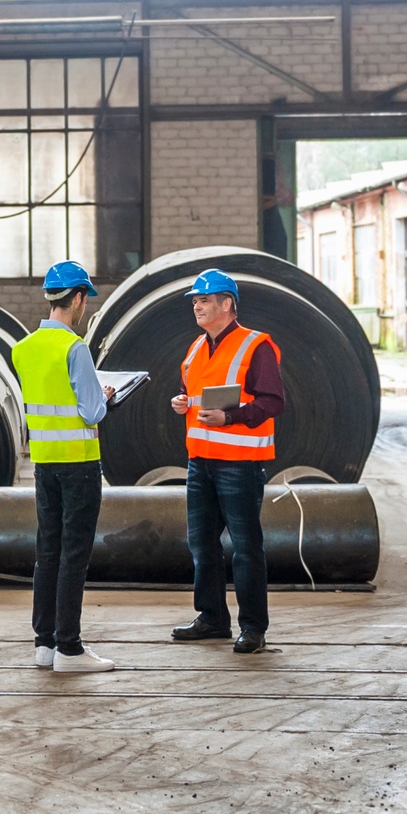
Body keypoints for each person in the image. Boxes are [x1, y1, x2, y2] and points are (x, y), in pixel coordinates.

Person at [167, 268, 285, 654]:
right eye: (195, 301)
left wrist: (230, 418)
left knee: (246, 546)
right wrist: (181, 402)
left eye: (204, 300)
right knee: (201, 544)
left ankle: (253, 627)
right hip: (200, 461)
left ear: (227, 304)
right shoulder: (196, 348)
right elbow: (192, 393)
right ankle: (213, 619)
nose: (197, 306)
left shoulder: (257, 346)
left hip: (239, 463)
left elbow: (272, 401)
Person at [13, 260, 118, 674]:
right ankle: (70, 649)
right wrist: (106, 393)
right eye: (84, 300)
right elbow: (92, 411)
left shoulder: (23, 349)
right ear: (77, 299)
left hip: (44, 466)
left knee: (48, 552)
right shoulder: (75, 348)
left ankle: (45, 643)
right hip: (79, 466)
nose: (84, 308)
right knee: (74, 555)